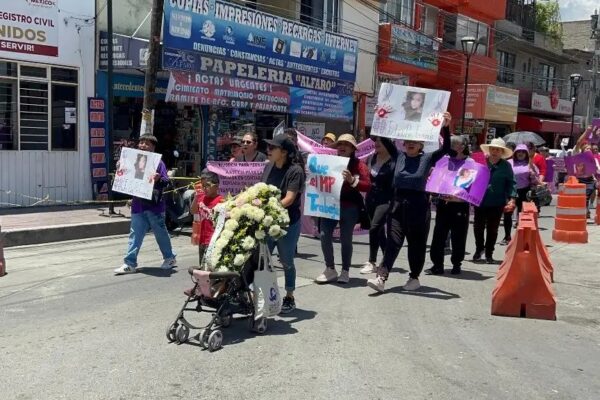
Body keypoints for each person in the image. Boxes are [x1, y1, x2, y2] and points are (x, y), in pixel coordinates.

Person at [367, 112, 452, 293]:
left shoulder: (427, 158)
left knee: (416, 244)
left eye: (415, 141)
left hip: (418, 206)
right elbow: (383, 137)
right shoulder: (398, 156)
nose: (411, 143)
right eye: (408, 141)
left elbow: (446, 149)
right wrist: (381, 117)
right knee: (393, 242)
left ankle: (414, 277)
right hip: (397, 205)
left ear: (421, 144)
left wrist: (445, 126)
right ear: (403, 144)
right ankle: (381, 277)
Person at [115, 135, 177, 274]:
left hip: (154, 206)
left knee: (160, 234)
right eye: (141, 143)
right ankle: (130, 263)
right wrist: (121, 167)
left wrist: (159, 178)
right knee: (135, 235)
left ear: (153, 147)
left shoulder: (158, 163)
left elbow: (166, 181)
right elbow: (125, 177)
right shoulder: (130, 161)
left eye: (147, 143)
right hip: (138, 205)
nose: (143, 145)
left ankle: (170, 257)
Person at [316, 134, 371, 284]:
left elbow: (368, 185)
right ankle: (330, 268)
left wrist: (352, 180)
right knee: (324, 234)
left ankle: (345, 270)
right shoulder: (328, 162)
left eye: (346, 144)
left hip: (349, 206)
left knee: (345, 238)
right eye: (340, 143)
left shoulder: (359, 165)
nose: (342, 146)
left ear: (353, 148)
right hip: (329, 204)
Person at [262, 135, 305, 313]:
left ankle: (289, 296)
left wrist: (270, 207)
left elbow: (289, 199)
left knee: (286, 261)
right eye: (268, 147)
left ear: (284, 152)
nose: (269, 150)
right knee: (262, 259)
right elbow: (261, 190)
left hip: (288, 223)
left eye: (273, 148)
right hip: (267, 221)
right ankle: (265, 296)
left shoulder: (295, 171)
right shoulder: (268, 167)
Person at [426, 135, 471, 276]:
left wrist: (456, 196)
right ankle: (437, 264)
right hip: (443, 204)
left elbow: (467, 186)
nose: (449, 148)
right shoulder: (444, 161)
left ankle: (456, 263)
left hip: (459, 205)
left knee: (458, 235)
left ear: (461, 147)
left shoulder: (468, 163)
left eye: (452, 145)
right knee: (439, 235)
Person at [472, 138, 516, 264]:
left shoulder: (506, 166)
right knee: (478, 227)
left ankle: (489, 252)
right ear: (489, 150)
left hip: (497, 202)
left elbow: (511, 183)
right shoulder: (481, 162)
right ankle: (479, 248)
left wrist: (512, 199)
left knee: (493, 228)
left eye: (498, 150)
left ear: (502, 152)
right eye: (493, 149)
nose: (495, 151)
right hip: (479, 200)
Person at [360, 136, 397, 274]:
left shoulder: (394, 161)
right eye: (375, 141)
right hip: (371, 199)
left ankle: (372, 261)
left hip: (386, 199)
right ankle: (387, 260)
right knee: (379, 232)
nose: (376, 143)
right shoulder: (372, 158)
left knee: (374, 228)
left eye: (380, 141)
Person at [500, 144, 540, 245]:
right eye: (518, 152)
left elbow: (536, 181)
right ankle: (507, 237)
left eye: (523, 152)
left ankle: (521, 238)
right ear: (515, 153)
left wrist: (533, 174)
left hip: (524, 192)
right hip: (510, 192)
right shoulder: (509, 163)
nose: (520, 153)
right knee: (507, 214)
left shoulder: (530, 164)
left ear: (526, 153)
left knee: (522, 216)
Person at [191, 171, 224, 267]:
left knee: (212, 267)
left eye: (208, 185)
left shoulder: (221, 201)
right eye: (203, 186)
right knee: (202, 266)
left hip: (214, 240)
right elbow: (193, 211)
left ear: (216, 186)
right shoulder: (201, 199)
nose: (205, 188)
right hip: (202, 240)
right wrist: (196, 198)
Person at [573, 127, 599, 218]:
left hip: (590, 180)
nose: (589, 149)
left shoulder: (591, 157)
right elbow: (578, 142)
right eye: (587, 148)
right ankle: (584, 212)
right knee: (583, 198)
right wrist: (587, 131)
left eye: (589, 148)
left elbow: (592, 171)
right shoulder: (577, 153)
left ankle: (586, 210)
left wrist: (595, 179)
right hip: (580, 179)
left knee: (587, 196)